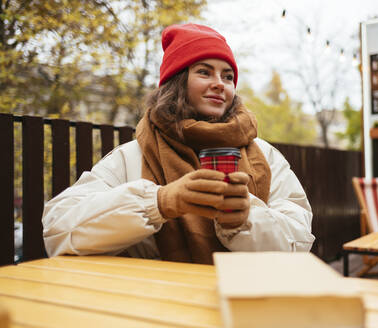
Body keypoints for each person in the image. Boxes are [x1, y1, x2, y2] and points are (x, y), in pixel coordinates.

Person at [42, 23, 315, 264]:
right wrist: (160, 202)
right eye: (205, 72)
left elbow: (300, 240)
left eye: (228, 76)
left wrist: (245, 219)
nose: (220, 84)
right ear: (177, 83)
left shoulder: (265, 155)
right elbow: (58, 229)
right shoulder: (133, 156)